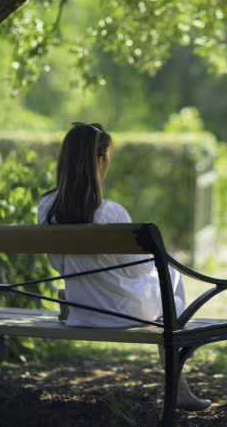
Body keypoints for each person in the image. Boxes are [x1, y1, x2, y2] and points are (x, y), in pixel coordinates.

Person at [37, 122, 210, 411]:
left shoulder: (46, 207)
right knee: (171, 276)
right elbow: (139, 271)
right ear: (101, 160)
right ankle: (179, 381)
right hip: (121, 313)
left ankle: (71, 299)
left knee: (161, 284)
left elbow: (59, 263)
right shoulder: (111, 212)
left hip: (84, 311)